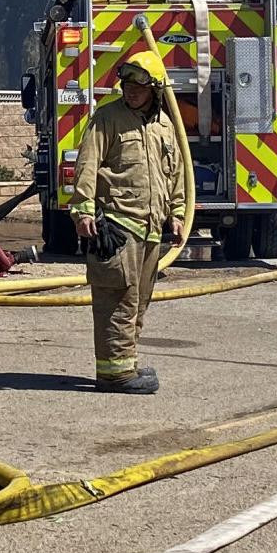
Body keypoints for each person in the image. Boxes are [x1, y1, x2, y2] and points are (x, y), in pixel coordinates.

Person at [70, 50, 188, 393]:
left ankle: (125, 363)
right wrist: (83, 210)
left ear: (155, 88)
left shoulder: (165, 125)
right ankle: (114, 375)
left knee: (139, 301)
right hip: (117, 228)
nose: (130, 90)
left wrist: (177, 214)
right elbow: (87, 165)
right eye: (126, 84)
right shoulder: (107, 119)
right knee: (117, 299)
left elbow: (176, 173)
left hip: (151, 230)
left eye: (138, 85)